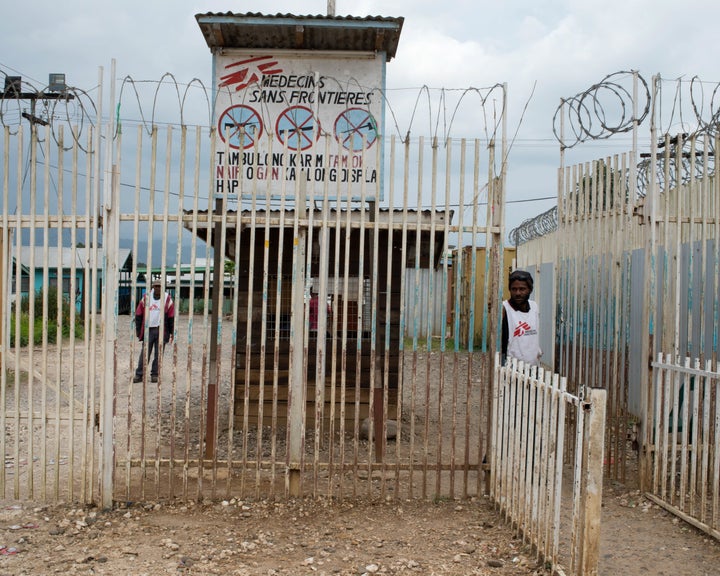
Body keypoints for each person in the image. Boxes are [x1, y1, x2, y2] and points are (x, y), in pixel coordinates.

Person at [133, 277, 174, 383]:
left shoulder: (167, 299)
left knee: (158, 353)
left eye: (160, 286)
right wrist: (138, 331)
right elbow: (138, 314)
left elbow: (171, 317)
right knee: (145, 353)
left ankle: (155, 374)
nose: (157, 288)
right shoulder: (146, 298)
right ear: (153, 287)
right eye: (156, 286)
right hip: (148, 330)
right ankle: (139, 374)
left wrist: (172, 332)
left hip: (162, 329)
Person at [501, 269, 541, 366]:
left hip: (534, 366)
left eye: (522, 289)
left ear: (530, 290)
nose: (518, 293)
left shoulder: (534, 306)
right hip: (512, 367)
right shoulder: (504, 309)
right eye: (514, 289)